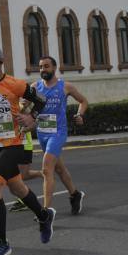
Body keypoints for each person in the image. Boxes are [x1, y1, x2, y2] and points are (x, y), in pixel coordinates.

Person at [0, 46, 55, 255]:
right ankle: (44, 216)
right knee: (17, 188)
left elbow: (40, 100)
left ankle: (1, 241)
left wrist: (31, 117)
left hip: (13, 144)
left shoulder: (15, 84)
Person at [34, 56, 88, 214]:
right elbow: (24, 105)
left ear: (54, 68)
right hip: (42, 133)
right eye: (41, 67)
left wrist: (80, 115)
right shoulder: (35, 87)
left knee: (46, 168)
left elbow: (83, 101)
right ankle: (74, 194)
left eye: (46, 66)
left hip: (58, 133)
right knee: (59, 169)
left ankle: (46, 211)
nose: (43, 69)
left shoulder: (65, 86)